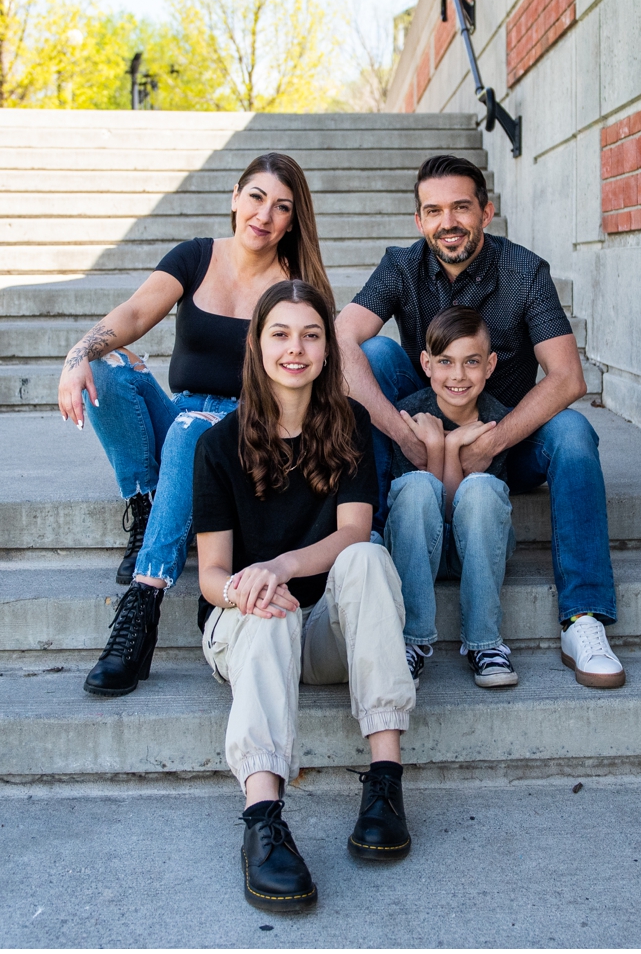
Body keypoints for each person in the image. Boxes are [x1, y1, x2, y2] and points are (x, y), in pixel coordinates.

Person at [336, 154, 625, 689]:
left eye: (461, 207)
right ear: (419, 221)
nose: (448, 222)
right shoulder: (401, 266)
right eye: (434, 211)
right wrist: (405, 434)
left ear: (486, 212)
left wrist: (493, 442)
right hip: (419, 436)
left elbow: (566, 377)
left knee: (575, 434)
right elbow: (340, 337)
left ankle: (583, 618)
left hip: (507, 437)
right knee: (370, 353)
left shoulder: (524, 273)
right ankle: (374, 538)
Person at [57, 153, 332, 698]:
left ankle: (142, 605)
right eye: (256, 198)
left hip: (249, 435)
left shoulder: (295, 288)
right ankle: (147, 506)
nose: (265, 215)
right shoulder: (195, 258)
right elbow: (134, 316)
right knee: (112, 369)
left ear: (292, 221)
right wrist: (76, 356)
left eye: (282, 207)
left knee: (192, 429)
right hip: (184, 416)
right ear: (235, 196)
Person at [192, 279, 415, 912]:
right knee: (267, 612)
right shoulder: (217, 445)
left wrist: (282, 565)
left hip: (323, 632)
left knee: (369, 558)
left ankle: (385, 786)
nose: (297, 348)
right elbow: (211, 575)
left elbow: (353, 531)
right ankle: (262, 822)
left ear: (327, 349)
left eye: (312, 335)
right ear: (257, 346)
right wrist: (250, 588)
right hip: (246, 629)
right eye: (281, 334)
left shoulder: (349, 426)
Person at [381, 305, 519, 688]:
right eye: (445, 361)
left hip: (475, 548)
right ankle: (410, 642)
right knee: (416, 487)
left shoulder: (495, 420)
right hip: (416, 547)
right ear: (426, 363)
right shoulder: (408, 414)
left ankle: (485, 643)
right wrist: (444, 447)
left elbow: (464, 513)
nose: (458, 376)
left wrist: (450, 443)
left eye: (471, 362)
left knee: (483, 490)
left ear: (490, 365)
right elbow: (423, 507)